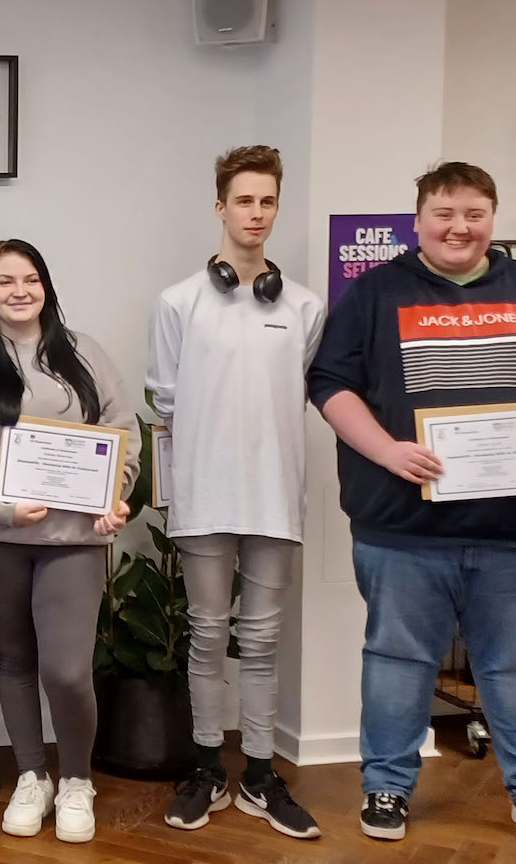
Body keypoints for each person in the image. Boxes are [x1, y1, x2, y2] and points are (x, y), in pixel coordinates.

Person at [307, 163, 516, 856]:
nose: (459, 227)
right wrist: (387, 450)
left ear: (493, 219)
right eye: (444, 213)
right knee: (396, 661)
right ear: (418, 220)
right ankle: (385, 787)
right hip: (404, 528)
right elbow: (329, 383)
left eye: (474, 212)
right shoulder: (376, 293)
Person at [149, 145, 326, 840]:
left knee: (262, 639)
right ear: (220, 206)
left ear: (277, 208)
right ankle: (205, 768)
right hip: (204, 495)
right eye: (244, 200)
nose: (256, 213)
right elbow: (165, 402)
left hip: (276, 496)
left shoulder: (307, 308)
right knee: (205, 634)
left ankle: (258, 775)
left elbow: (303, 393)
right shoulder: (178, 303)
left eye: (268, 201)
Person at [0, 240, 136, 843]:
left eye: (29, 279)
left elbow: (121, 434)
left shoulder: (85, 354)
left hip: (73, 538)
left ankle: (75, 780)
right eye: (4, 281)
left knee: (68, 670)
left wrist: (113, 497)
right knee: (13, 660)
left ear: (45, 286)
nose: (18, 291)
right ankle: (32, 774)